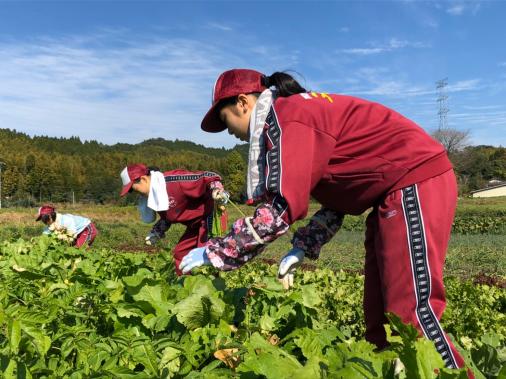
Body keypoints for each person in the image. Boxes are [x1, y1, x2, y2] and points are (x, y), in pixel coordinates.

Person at [179, 68, 473, 376]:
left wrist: (216, 252)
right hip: (389, 194)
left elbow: (279, 210)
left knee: (410, 317)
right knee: (381, 321)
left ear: (242, 103)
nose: (231, 133)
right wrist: (302, 247)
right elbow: (338, 199)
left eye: (226, 122)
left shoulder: (287, 118)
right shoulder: (299, 116)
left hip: (415, 182)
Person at [119, 163, 229, 276]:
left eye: (134, 190)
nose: (137, 195)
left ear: (143, 179)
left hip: (209, 218)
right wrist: (156, 231)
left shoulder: (174, 181)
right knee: (180, 254)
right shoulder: (156, 195)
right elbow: (168, 217)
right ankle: (185, 286)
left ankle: (212, 287)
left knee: (204, 254)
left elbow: (209, 176)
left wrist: (218, 190)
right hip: (194, 225)